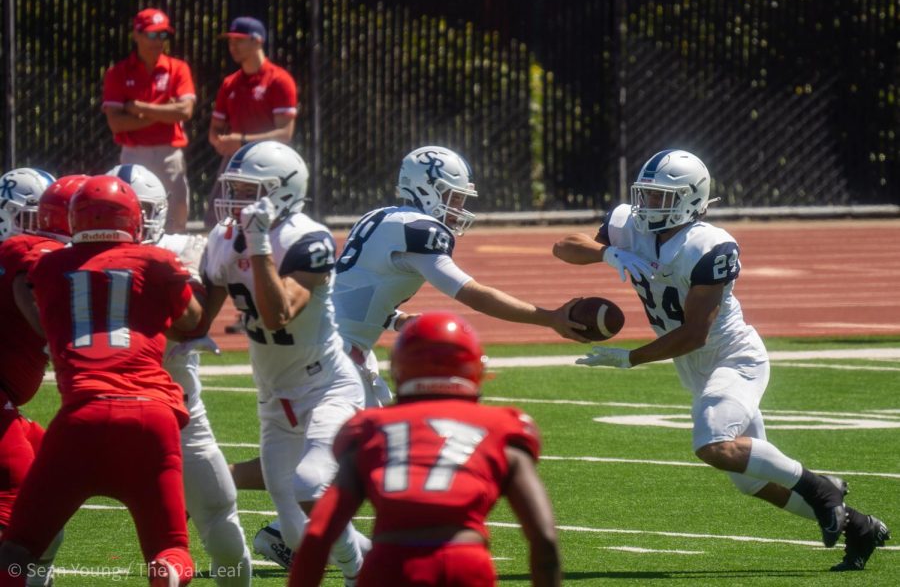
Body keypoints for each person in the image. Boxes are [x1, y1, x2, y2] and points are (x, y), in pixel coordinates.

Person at [236, 145, 585, 567]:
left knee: (360, 449)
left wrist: (395, 318)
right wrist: (549, 318)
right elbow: (472, 293)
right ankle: (288, 526)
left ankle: (273, 525)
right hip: (337, 356)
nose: (458, 208)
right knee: (377, 448)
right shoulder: (419, 229)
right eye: (453, 197)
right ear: (427, 189)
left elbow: (357, 289)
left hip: (336, 346)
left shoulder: (384, 218)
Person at [552, 148, 891, 572]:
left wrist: (631, 358)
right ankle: (860, 526)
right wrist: (606, 253)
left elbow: (696, 333)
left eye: (661, 198)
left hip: (733, 358)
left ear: (692, 200)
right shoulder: (627, 223)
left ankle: (822, 489)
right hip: (693, 365)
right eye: (646, 195)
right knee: (749, 478)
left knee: (713, 444)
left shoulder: (710, 246)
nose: (647, 206)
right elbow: (562, 247)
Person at [0, 176, 203, 587]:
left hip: (84, 415)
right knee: (170, 550)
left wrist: (57, 335)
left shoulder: (49, 263)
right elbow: (193, 321)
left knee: (17, 548)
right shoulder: (157, 261)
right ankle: (168, 573)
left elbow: (29, 287)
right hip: (153, 417)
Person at [289, 311, 562, 587]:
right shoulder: (502, 426)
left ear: (399, 366)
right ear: (474, 365)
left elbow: (320, 532)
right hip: (465, 563)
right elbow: (545, 538)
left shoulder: (369, 429)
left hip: (390, 565)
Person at [200, 141, 369, 583]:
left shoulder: (307, 239)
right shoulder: (223, 239)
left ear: (281, 191)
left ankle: (359, 577)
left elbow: (277, 317)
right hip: (275, 401)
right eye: (233, 187)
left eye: (246, 189)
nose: (234, 198)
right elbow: (197, 318)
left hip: (327, 388)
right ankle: (385, 563)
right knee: (297, 535)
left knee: (312, 484)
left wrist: (258, 247)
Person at [106, 163, 252, 586]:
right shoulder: (80, 259)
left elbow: (191, 322)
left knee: (221, 520)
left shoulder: (181, 249)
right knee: (37, 519)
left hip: (179, 411)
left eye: (140, 209)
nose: (130, 220)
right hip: (107, 406)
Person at [0, 169, 77, 587]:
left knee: (59, 474)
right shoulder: (25, 251)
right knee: (20, 509)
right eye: (40, 216)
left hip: (7, 400)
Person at [102, 7, 196, 233]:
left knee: (176, 216)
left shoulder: (178, 69)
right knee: (131, 214)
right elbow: (117, 123)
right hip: (133, 153)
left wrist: (138, 108)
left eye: (162, 35)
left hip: (169, 154)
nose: (158, 41)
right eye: (152, 34)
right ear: (136, 35)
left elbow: (185, 112)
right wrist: (165, 112)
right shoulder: (118, 73)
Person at [205, 16, 298, 229]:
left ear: (258, 41)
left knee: (273, 222)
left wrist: (243, 141)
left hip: (271, 163)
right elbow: (215, 130)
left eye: (239, 40)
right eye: (230, 41)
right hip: (235, 162)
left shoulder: (279, 80)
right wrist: (219, 141)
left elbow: (285, 133)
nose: (233, 46)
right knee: (217, 220)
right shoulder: (230, 83)